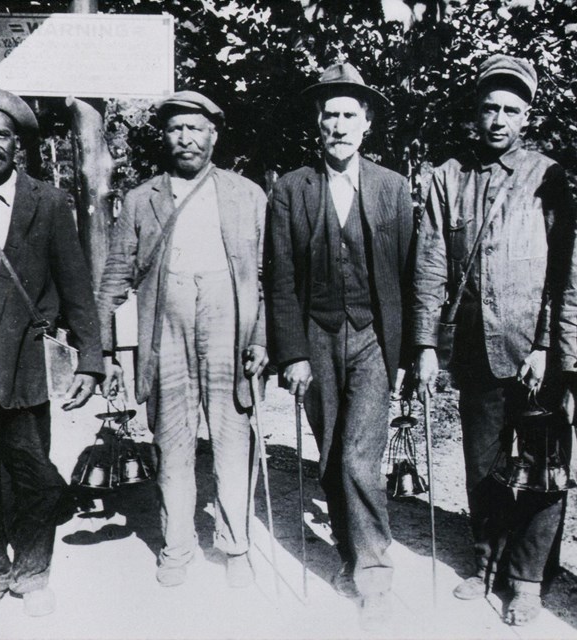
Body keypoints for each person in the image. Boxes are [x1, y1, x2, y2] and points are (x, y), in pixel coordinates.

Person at [412, 54, 576, 626]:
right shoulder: (446, 177)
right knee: (482, 463)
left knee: (542, 466)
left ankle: (528, 578)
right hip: (473, 349)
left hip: (536, 354)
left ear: (527, 115)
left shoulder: (548, 178)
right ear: (474, 114)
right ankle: (484, 559)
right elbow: (431, 263)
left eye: (511, 109)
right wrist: (427, 345)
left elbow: (565, 271)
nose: (499, 119)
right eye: (489, 108)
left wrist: (544, 347)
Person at [0, 87, 104, 622]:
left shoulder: (48, 203)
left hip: (23, 350)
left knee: (30, 463)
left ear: (18, 145)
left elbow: (77, 288)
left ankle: (33, 571)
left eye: (1, 136)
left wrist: (92, 359)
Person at [97, 91, 268, 589]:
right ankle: (177, 546)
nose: (186, 138)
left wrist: (260, 338)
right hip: (164, 330)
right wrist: (105, 352)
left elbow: (266, 275)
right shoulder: (140, 199)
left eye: (196, 129)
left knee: (233, 442)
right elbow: (114, 276)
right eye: (176, 129)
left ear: (214, 135)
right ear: (164, 137)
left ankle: (235, 545)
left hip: (228, 330)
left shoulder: (246, 194)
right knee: (171, 442)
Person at [266, 62, 413, 623]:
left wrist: (414, 349)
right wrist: (293, 354)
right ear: (318, 123)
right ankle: (351, 554)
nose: (340, 124)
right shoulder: (291, 188)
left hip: (374, 338)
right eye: (331, 114)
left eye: (351, 114)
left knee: (358, 454)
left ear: (367, 123)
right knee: (331, 454)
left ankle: (374, 575)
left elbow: (405, 274)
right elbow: (279, 277)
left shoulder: (393, 188)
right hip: (317, 338)